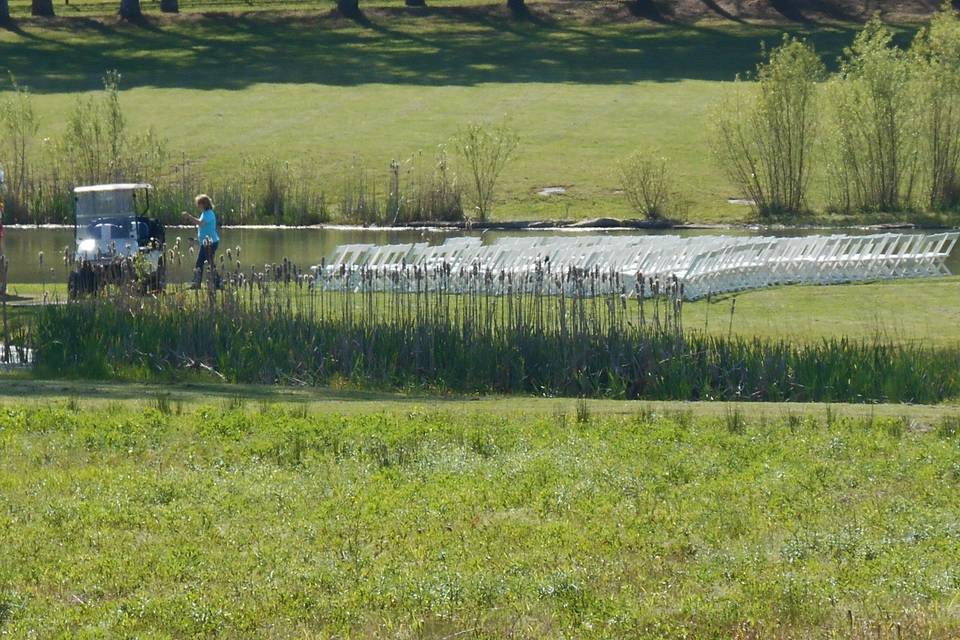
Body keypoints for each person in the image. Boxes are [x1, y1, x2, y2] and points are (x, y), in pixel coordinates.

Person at [182, 194, 221, 289]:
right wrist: (196, 241)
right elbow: (204, 229)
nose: (197, 206)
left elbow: (200, 223)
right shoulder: (204, 213)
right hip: (205, 243)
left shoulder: (209, 214)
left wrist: (189, 216)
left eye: (199, 204)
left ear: (204, 204)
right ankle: (210, 283)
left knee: (205, 263)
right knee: (205, 263)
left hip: (210, 243)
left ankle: (212, 283)